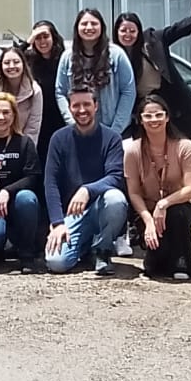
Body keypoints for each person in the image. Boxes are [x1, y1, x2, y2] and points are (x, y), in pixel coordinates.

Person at [113, 0, 191, 141]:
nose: (128, 35)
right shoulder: (113, 56)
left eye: (132, 31)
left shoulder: (154, 40)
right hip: (144, 114)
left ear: (139, 31)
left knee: (178, 155)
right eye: (123, 30)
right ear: (116, 32)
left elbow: (183, 27)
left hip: (178, 111)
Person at [44, 86, 129, 277]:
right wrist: (57, 223)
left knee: (116, 199)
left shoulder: (112, 138)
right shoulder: (59, 139)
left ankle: (102, 251)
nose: (81, 110)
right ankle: (85, 246)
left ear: (96, 105)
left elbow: (116, 176)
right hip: (72, 214)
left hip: (101, 208)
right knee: (56, 262)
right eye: (76, 105)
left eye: (86, 104)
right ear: (70, 108)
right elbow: (51, 183)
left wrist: (87, 190)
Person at [124, 94, 191, 280]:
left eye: (159, 115)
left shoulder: (184, 146)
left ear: (167, 117)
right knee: (154, 265)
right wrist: (149, 220)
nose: (154, 120)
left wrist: (164, 204)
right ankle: (161, 257)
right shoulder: (132, 151)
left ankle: (183, 263)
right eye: (148, 116)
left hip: (178, 208)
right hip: (147, 211)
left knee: (177, 214)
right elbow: (134, 193)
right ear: (140, 120)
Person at [0, 92, 42, 273]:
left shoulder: (25, 143)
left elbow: (32, 177)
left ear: (14, 116)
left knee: (28, 198)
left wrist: (7, 191)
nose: (0, 117)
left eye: (6, 112)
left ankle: (26, 255)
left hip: (16, 203)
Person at [56, 8, 135, 134]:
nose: (89, 27)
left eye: (94, 23)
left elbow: (128, 92)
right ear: (77, 28)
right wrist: (72, 122)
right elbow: (60, 92)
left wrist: (116, 130)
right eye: (84, 24)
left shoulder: (117, 54)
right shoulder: (67, 57)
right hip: (79, 131)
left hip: (113, 129)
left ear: (102, 27)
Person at [0, 45, 42, 143]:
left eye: (16, 62)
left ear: (23, 64)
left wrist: (26, 150)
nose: (12, 66)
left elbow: (33, 127)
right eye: (7, 63)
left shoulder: (35, 90)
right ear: (1, 66)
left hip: (22, 144)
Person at [23, 20, 66, 166]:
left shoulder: (64, 58)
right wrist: (28, 40)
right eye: (38, 38)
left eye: (45, 36)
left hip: (62, 118)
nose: (42, 41)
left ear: (53, 37)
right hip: (39, 120)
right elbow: (9, 58)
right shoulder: (29, 60)